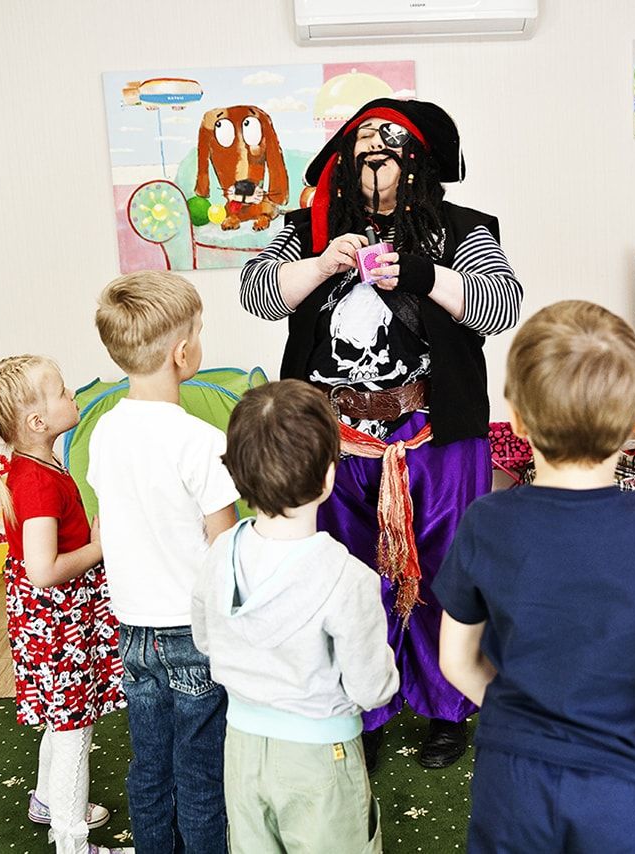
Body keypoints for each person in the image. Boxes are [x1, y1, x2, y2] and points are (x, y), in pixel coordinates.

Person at [239, 98, 523, 769]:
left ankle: (447, 704)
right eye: (363, 137)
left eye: (390, 138)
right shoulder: (306, 228)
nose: (375, 148)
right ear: (343, 156)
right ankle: (359, 706)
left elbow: (502, 304)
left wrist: (424, 275)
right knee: (345, 576)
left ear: (417, 158)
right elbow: (257, 293)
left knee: (442, 573)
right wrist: (320, 266)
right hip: (333, 439)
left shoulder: (463, 228)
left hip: (433, 436)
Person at [434, 300, 635, 853]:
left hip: (512, 780)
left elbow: (456, 661)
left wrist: (513, 717)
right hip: (627, 783)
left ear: (516, 419)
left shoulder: (486, 521)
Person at [192, 379, 399, 853]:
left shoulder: (220, 552)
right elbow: (372, 688)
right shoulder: (347, 577)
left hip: (242, 746)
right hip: (321, 756)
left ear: (237, 475)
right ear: (328, 478)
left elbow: (205, 639)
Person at [88, 271, 240, 854]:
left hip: (132, 629)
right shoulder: (201, 440)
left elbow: (113, 520)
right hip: (192, 631)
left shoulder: (105, 431)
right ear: (182, 353)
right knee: (201, 775)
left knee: (150, 767)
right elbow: (224, 548)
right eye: (199, 331)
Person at [0, 355, 127, 854]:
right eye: (62, 391)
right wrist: (99, 549)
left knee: (62, 720)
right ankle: (72, 842)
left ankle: (47, 801)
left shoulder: (35, 465)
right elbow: (43, 569)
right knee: (73, 731)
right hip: (57, 621)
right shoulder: (38, 482)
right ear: (38, 422)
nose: (72, 395)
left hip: (55, 619)